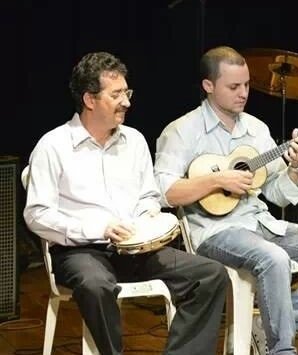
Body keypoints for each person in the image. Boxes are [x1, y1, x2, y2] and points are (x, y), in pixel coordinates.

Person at [153, 46, 298, 355]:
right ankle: (281, 349)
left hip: (262, 223)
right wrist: (217, 180)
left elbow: (279, 193)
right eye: (233, 87)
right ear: (208, 86)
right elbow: (164, 191)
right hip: (215, 231)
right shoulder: (182, 131)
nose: (243, 94)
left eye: (247, 85)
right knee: (274, 258)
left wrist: (294, 166)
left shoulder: (256, 129)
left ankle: (265, 329)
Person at [23, 51, 229, 355]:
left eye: (127, 92)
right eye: (116, 94)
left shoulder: (134, 141)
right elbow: (37, 214)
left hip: (137, 249)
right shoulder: (53, 146)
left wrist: (147, 221)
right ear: (90, 100)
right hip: (81, 251)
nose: (127, 102)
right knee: (95, 285)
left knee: (210, 275)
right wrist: (99, 228)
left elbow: (149, 195)